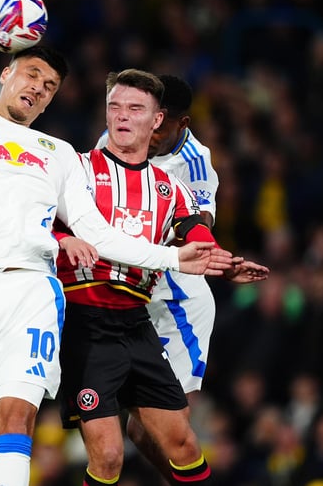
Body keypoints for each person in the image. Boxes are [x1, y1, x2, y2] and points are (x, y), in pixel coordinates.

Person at [0, 46, 235, 486]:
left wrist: (177, 256)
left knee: (20, 419)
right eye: (31, 76)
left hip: (36, 292)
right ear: (6, 73)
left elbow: (101, 234)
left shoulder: (57, 152)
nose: (37, 89)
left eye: (49, 87)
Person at [56, 69, 269, 486]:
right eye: (115, 108)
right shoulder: (83, 162)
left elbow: (196, 226)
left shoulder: (183, 175)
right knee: (110, 455)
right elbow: (58, 215)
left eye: (136, 110)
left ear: (162, 119)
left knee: (167, 437)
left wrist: (220, 262)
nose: (124, 119)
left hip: (167, 303)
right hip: (93, 313)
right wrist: (64, 238)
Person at [96, 74, 225, 481]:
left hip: (176, 303)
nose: (147, 132)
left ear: (179, 123)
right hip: (127, 299)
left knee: (157, 431)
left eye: (160, 125)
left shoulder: (195, 165)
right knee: (133, 434)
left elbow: (197, 227)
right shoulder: (115, 137)